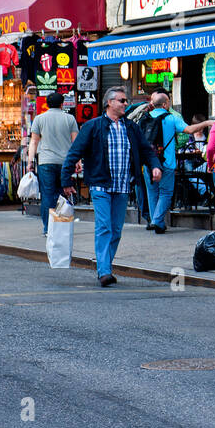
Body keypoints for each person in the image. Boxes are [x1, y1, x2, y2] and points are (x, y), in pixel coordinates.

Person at [62, 87, 161, 286]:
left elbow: (146, 150)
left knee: (116, 230)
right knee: (104, 227)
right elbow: (74, 153)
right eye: (122, 101)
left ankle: (105, 264)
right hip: (100, 186)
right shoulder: (93, 126)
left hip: (123, 186)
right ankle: (104, 271)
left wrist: (155, 166)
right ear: (109, 103)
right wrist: (66, 180)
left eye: (125, 101)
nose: (125, 104)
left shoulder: (131, 127)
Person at [139, 92, 208, 234]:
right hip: (167, 162)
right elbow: (189, 129)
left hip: (148, 163)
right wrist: (207, 123)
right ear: (165, 104)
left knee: (152, 193)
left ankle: (156, 221)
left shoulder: (145, 118)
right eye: (168, 102)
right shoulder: (171, 118)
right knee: (165, 193)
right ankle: (157, 221)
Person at [28, 91, 79, 235]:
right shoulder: (70, 119)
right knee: (62, 194)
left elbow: (34, 141)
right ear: (62, 104)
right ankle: (61, 226)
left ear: (47, 104)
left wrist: (30, 161)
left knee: (47, 195)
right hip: (65, 162)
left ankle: (47, 228)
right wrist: (78, 161)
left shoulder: (39, 119)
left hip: (46, 162)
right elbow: (76, 143)